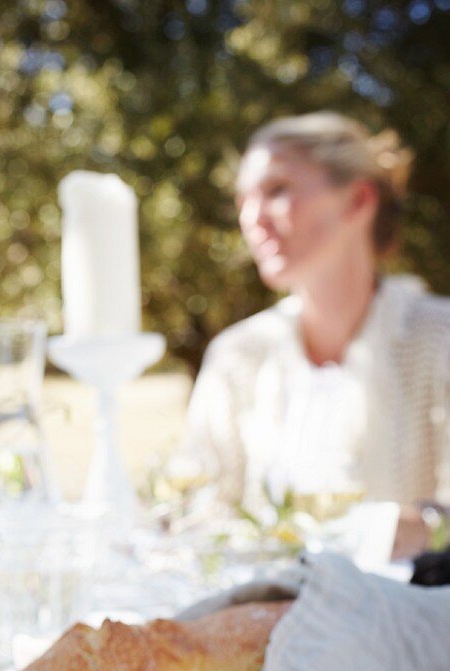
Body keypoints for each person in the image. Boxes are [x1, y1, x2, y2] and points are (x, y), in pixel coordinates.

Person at [184, 112, 450, 525]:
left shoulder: (440, 340)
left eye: (277, 190)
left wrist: (379, 539)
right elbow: (200, 510)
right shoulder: (237, 355)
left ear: (358, 200)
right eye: (243, 201)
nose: (252, 219)